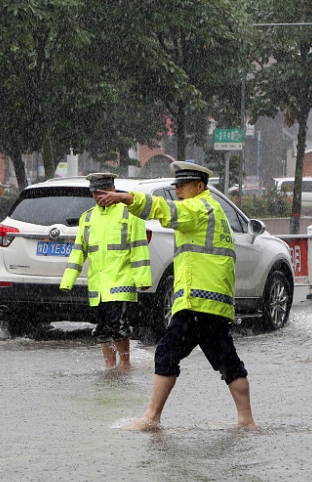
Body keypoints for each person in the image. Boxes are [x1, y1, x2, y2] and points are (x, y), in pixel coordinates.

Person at [94, 162, 256, 430]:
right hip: (209, 303)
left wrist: (127, 198)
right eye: (176, 186)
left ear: (200, 187)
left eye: (182, 185)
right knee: (228, 362)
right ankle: (246, 422)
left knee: (167, 353)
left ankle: (151, 417)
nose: (178, 190)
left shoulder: (200, 207)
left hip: (197, 302)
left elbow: (165, 211)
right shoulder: (210, 210)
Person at [59, 172, 151, 370]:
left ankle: (125, 364)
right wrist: (68, 280)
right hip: (98, 284)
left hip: (121, 281)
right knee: (101, 329)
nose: (99, 197)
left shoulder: (129, 214)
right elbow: (78, 251)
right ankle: (110, 367)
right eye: (95, 193)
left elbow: (139, 248)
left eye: (102, 192)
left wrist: (143, 279)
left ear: (112, 189)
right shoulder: (88, 218)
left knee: (118, 326)